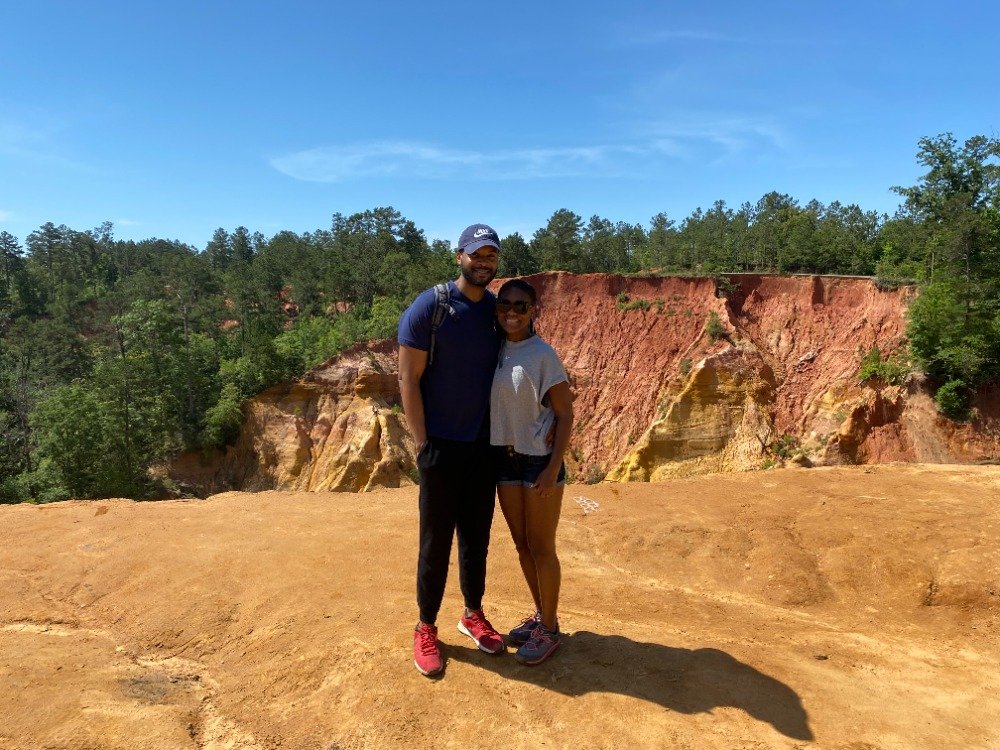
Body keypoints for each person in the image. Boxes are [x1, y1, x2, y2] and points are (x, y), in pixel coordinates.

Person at [397, 223, 506, 677]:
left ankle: (472, 613)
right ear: (459, 255)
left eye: (491, 256)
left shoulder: (498, 312)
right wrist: (422, 441)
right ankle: (426, 626)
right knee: (435, 542)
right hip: (441, 445)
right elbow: (408, 379)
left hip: (483, 445)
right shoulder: (432, 307)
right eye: (476, 254)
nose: (483, 263)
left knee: (476, 540)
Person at [490, 278, 574, 665]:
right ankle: (542, 615)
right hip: (505, 458)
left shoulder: (543, 355)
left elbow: (565, 413)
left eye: (520, 305)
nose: (511, 312)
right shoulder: (493, 351)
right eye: (505, 304)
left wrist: (553, 467)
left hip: (539, 461)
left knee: (542, 548)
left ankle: (551, 629)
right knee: (522, 544)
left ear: (532, 310)